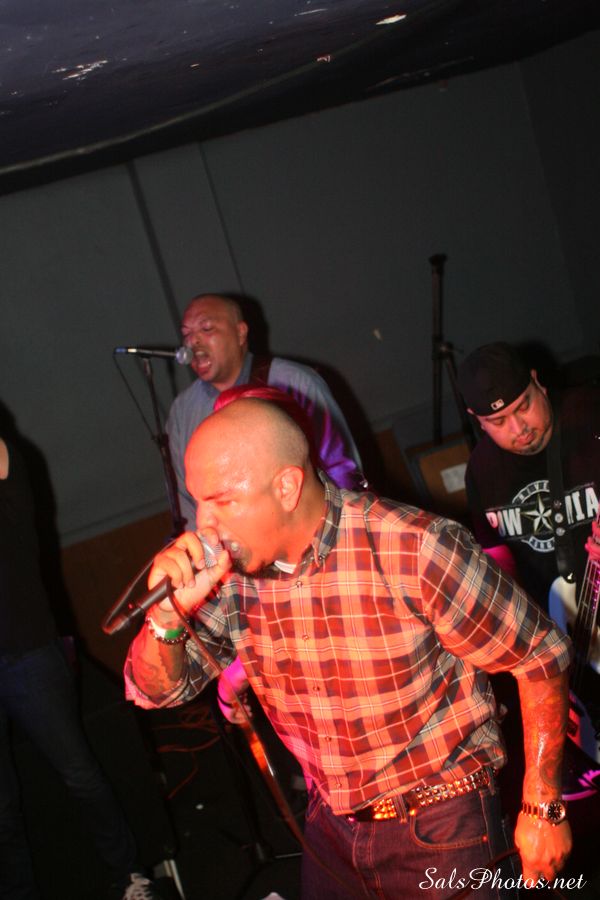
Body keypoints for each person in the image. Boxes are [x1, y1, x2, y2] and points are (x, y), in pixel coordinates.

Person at [125, 393, 573, 899]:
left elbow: (541, 653)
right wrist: (166, 617)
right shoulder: (231, 576)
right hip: (331, 826)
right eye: (198, 501)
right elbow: (157, 691)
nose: (203, 525)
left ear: (287, 487)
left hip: (441, 825)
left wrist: (543, 805)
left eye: (222, 501)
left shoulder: (414, 547)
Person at [0, 436, 161, 900]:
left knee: (79, 773)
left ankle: (129, 874)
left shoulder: (6, 470)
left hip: (26, 651)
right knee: (1, 806)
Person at [456, 341, 600, 802]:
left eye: (524, 407)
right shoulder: (482, 470)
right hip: (563, 642)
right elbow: (499, 563)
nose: (519, 429)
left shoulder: (591, 416)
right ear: (477, 420)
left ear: (539, 383)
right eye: (498, 421)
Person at [166, 293, 365, 531]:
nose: (192, 342)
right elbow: (185, 497)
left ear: (241, 333)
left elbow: (342, 468)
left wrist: (338, 533)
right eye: (186, 334)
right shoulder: (182, 411)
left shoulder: (295, 382)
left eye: (207, 329)